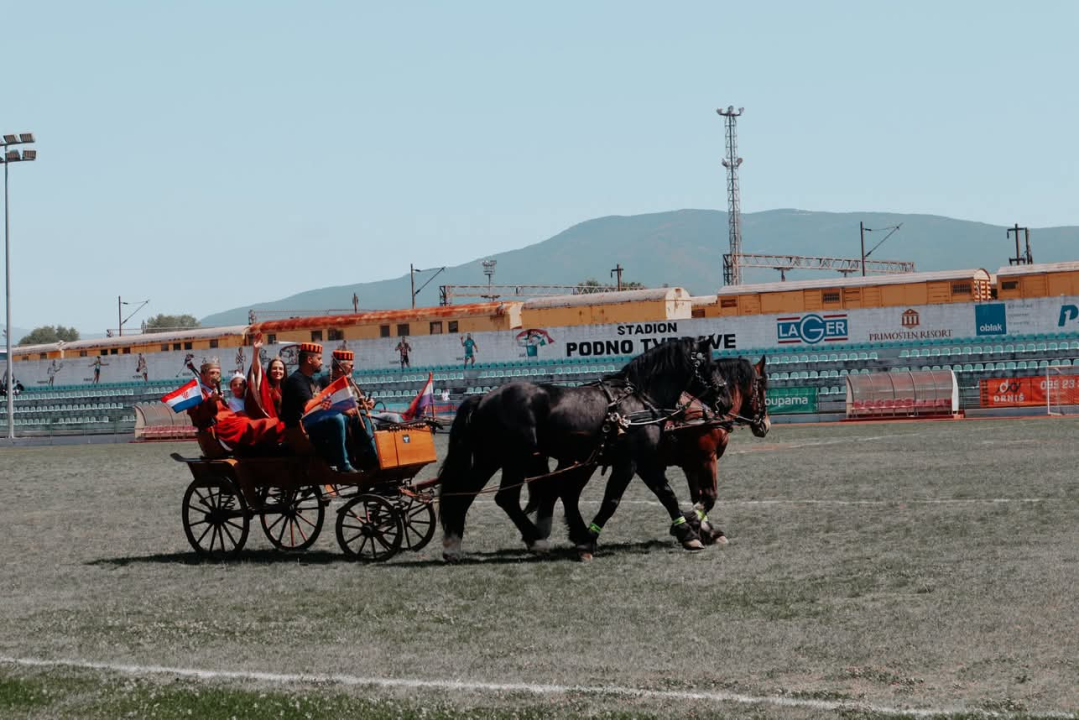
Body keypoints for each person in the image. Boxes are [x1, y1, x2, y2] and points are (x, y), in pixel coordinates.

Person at [281, 342, 357, 473]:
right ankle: (342, 465)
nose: (322, 362)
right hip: (300, 428)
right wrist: (340, 408)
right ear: (309, 360)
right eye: (319, 359)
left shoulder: (312, 381)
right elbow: (310, 407)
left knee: (346, 419)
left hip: (312, 423)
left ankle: (354, 458)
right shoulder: (296, 380)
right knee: (337, 419)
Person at [186, 358, 284, 454]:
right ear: (202, 376)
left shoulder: (214, 392)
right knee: (251, 423)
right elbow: (199, 416)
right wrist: (211, 401)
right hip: (223, 431)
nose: (215, 376)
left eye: (217, 373)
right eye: (212, 373)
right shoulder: (197, 393)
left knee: (259, 422)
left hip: (233, 424)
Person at [246, 337, 286, 419]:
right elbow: (257, 370)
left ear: (284, 372)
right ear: (269, 371)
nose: (277, 371)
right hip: (271, 425)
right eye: (274, 368)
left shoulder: (287, 388)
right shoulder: (266, 386)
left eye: (281, 369)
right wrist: (256, 351)